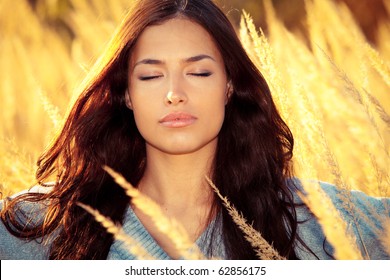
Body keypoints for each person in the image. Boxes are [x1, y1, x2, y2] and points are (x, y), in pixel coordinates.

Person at [0, 0, 388, 260]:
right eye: (151, 75)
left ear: (230, 85)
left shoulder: (313, 218)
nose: (174, 94)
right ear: (127, 94)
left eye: (199, 72)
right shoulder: (42, 224)